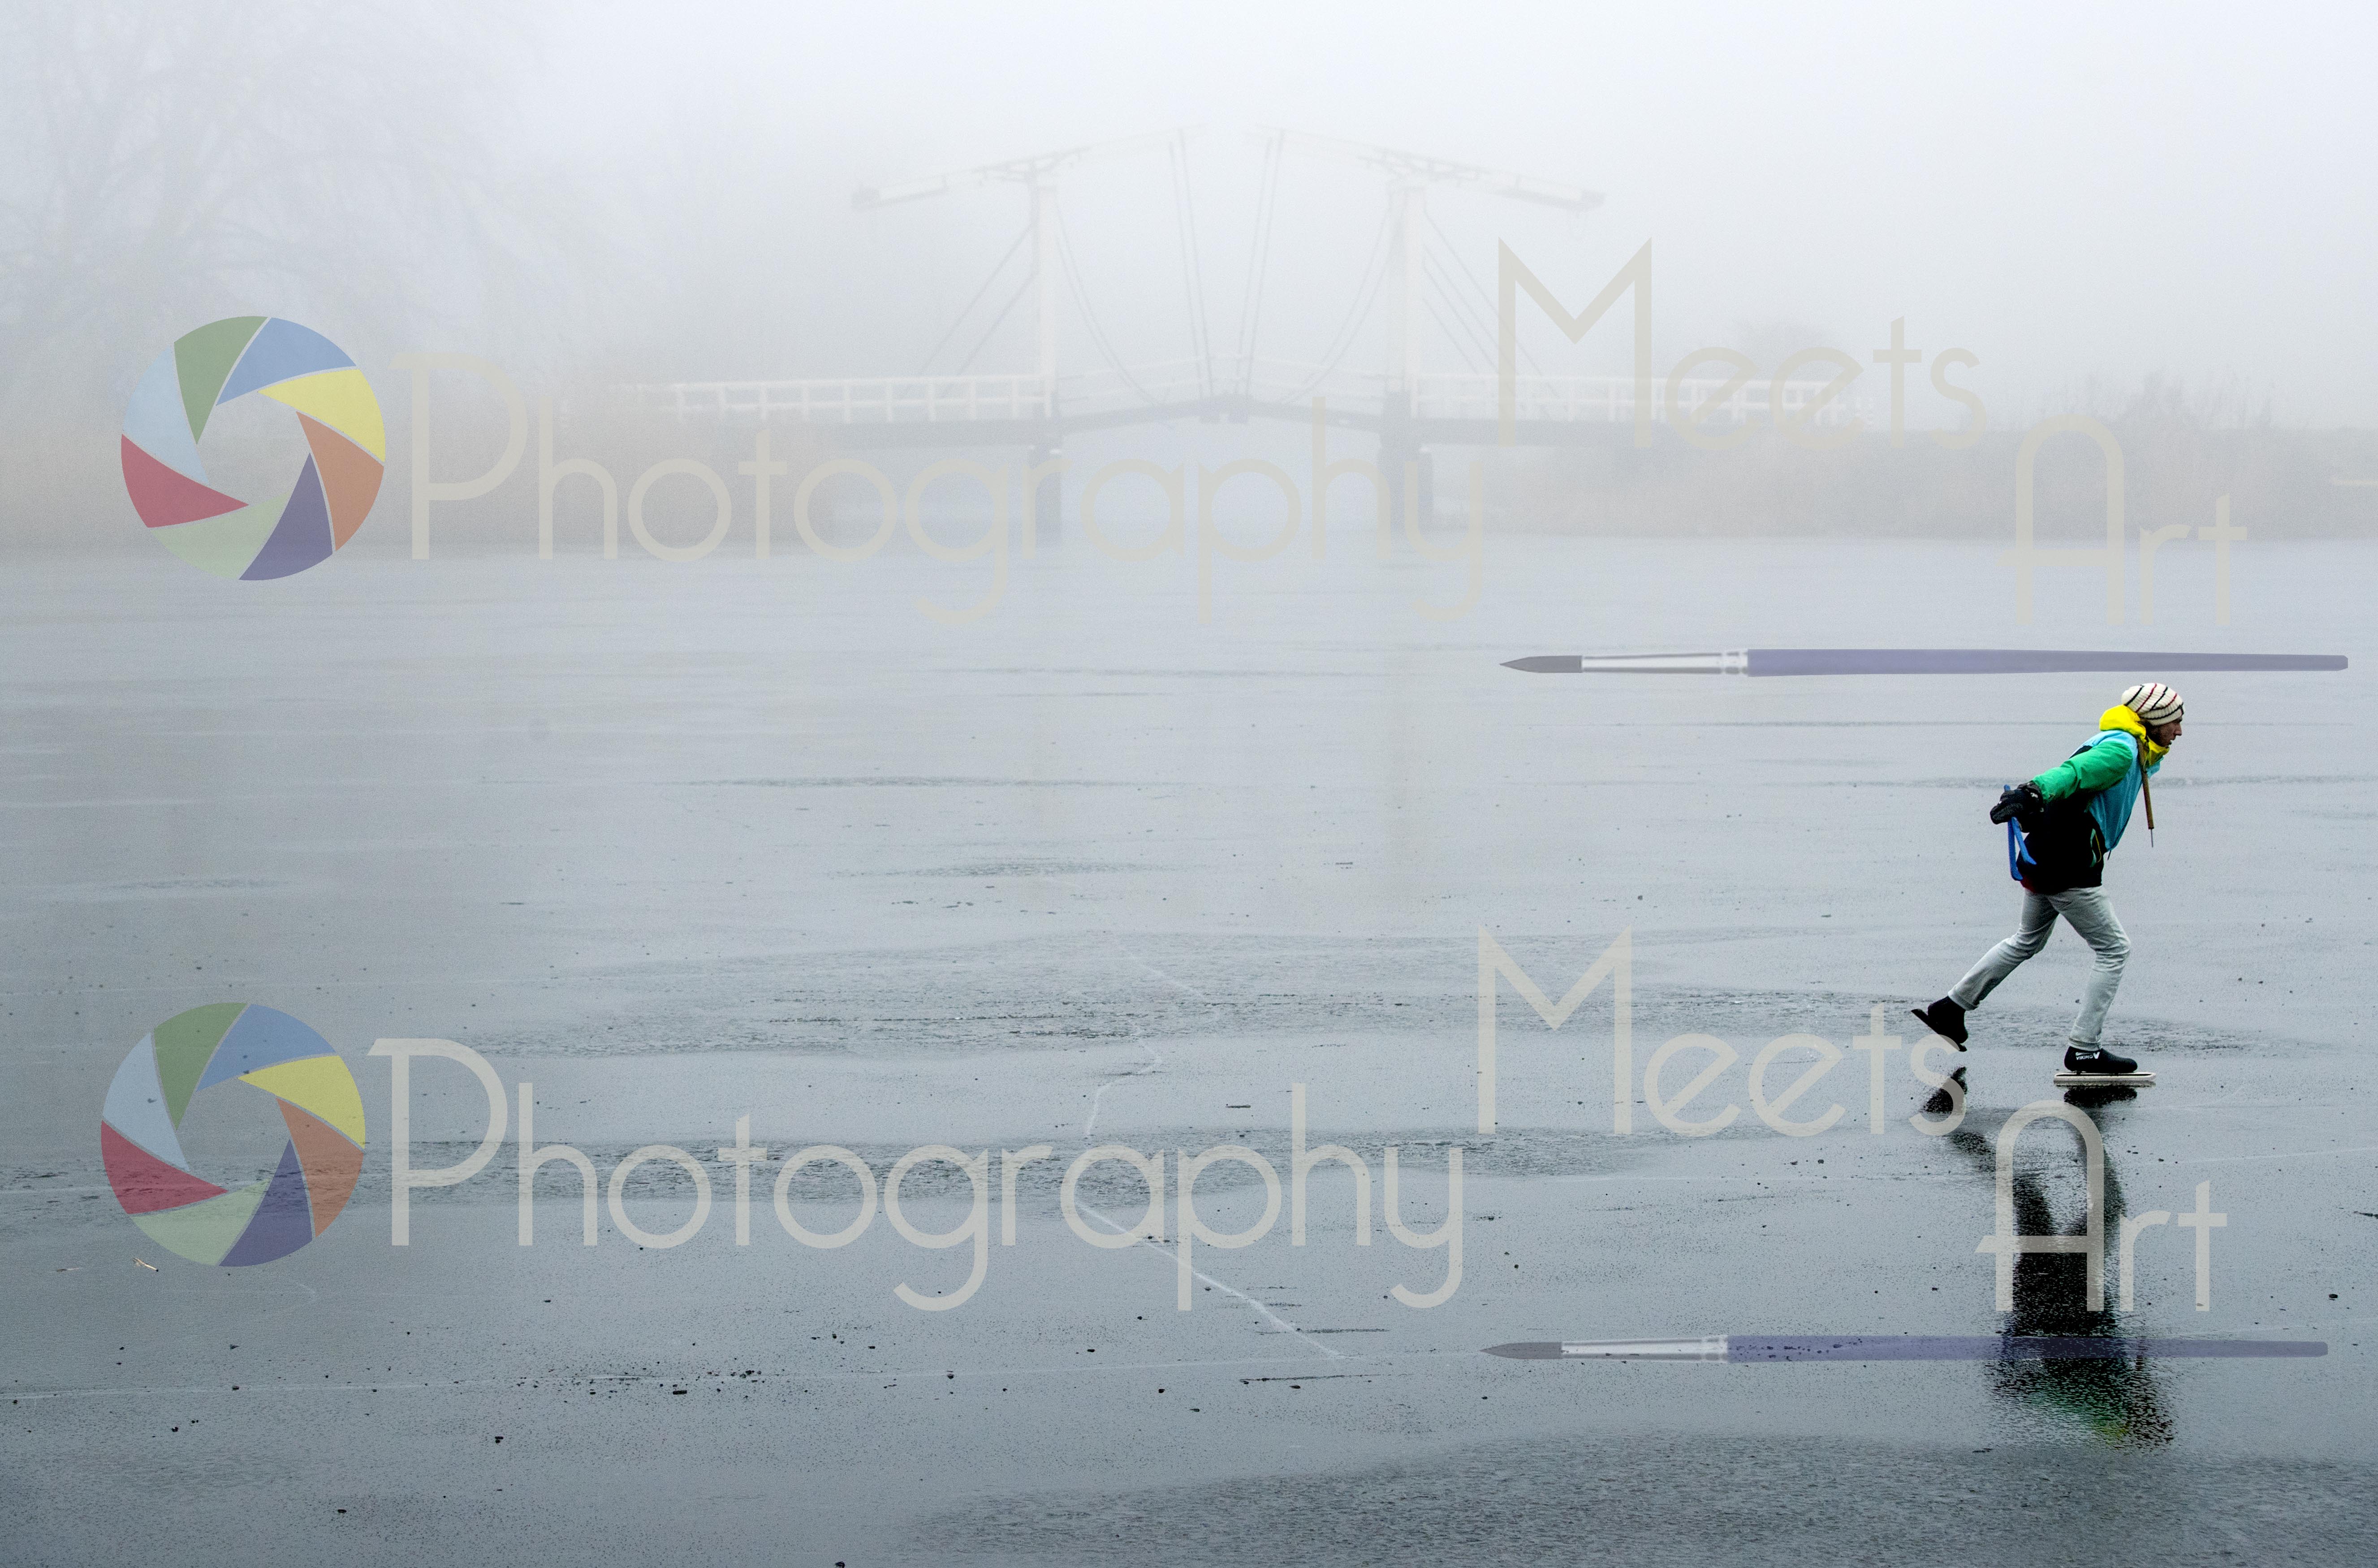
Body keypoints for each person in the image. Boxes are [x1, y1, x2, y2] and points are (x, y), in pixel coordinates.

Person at [1912, 682, 2184, 1078]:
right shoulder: (2121, 749)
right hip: (2068, 863)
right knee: (2114, 950)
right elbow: (2071, 774)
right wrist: (2034, 791)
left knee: (2026, 940)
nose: (2179, 731)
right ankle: (2084, 1051)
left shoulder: (2122, 743)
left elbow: (2101, 770)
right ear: (2153, 719)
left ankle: (1949, 1009)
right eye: (2174, 722)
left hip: (2045, 854)